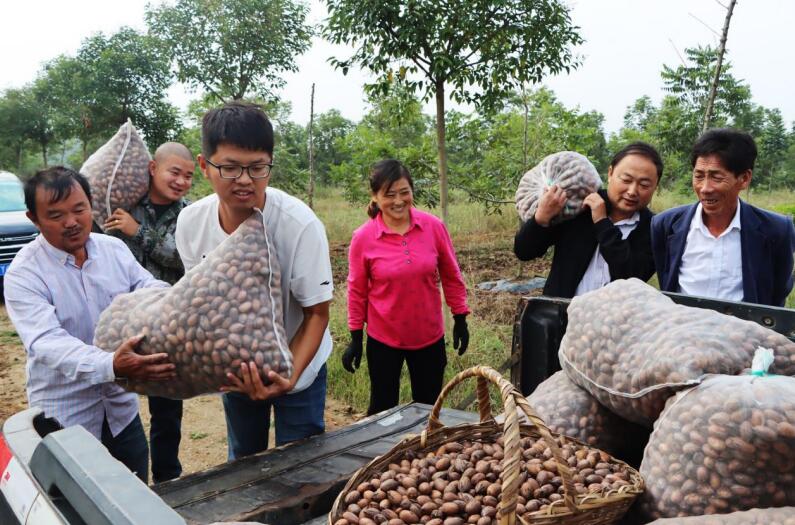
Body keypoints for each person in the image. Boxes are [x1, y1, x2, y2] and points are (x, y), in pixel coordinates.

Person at [174, 101, 333, 460]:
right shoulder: (190, 224)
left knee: (301, 462)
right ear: (205, 166)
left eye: (257, 168)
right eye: (229, 168)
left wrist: (289, 375)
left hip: (299, 365)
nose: (245, 180)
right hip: (238, 373)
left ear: (270, 167)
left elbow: (317, 315)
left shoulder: (299, 225)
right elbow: (201, 304)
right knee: (244, 462)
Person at [3, 167, 176, 483]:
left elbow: (146, 286)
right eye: (56, 215)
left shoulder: (112, 249)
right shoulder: (24, 273)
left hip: (121, 413)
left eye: (79, 209)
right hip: (66, 420)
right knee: (78, 507)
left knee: (134, 496)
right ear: (34, 218)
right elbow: (46, 342)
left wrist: (173, 301)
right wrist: (112, 364)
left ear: (90, 206)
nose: (71, 222)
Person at [343, 159, 471, 416]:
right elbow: (357, 290)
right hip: (384, 338)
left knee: (428, 409)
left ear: (413, 191)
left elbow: (451, 275)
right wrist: (356, 337)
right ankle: (382, 456)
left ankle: (428, 455)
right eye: (389, 195)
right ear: (376, 197)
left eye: (404, 192)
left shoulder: (433, 227)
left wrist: (460, 317)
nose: (398, 201)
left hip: (428, 336)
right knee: (382, 409)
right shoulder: (363, 238)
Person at [103, 142, 194, 484]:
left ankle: (168, 479)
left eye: (188, 176)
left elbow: (179, 257)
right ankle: (117, 478)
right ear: (153, 168)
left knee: (166, 409)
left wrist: (136, 232)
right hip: (120, 321)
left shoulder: (188, 214)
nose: (181, 181)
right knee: (115, 402)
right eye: (175, 172)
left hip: (165, 324)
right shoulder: (124, 206)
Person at [651, 128, 795, 306]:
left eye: (716, 177)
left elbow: (778, 291)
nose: (704, 188)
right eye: (699, 176)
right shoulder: (665, 224)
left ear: (744, 179)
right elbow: (666, 279)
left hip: (742, 331)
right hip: (682, 329)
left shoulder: (776, 229)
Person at [514, 142, 663, 298]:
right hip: (561, 317)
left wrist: (602, 222)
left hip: (615, 319)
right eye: (626, 180)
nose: (632, 191)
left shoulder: (655, 228)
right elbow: (524, 252)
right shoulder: (578, 206)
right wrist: (541, 217)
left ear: (656, 186)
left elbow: (631, 275)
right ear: (610, 173)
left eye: (644, 185)